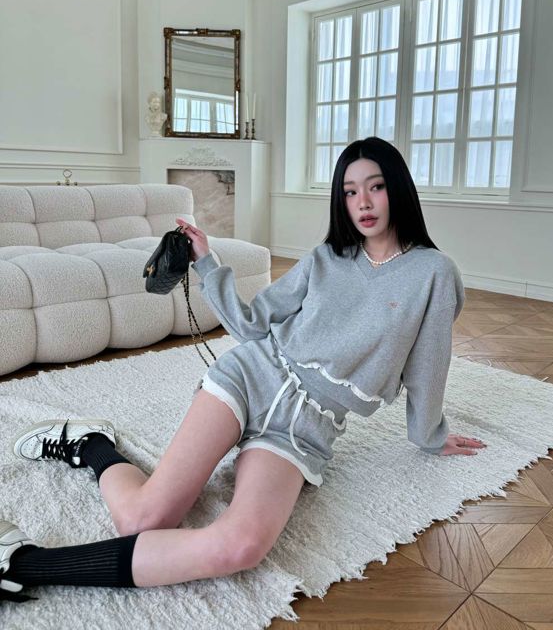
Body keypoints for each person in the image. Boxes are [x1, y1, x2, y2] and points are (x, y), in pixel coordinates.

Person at [0, 136, 486, 602]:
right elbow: (254, 323)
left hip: (306, 427)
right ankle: (91, 446)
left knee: (241, 547)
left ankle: (20, 563)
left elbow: (429, 366)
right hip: (252, 377)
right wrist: (207, 263)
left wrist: (429, 434)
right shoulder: (325, 259)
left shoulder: (434, 273)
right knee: (142, 520)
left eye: (375, 186)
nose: (363, 202)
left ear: (397, 187)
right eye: (349, 191)